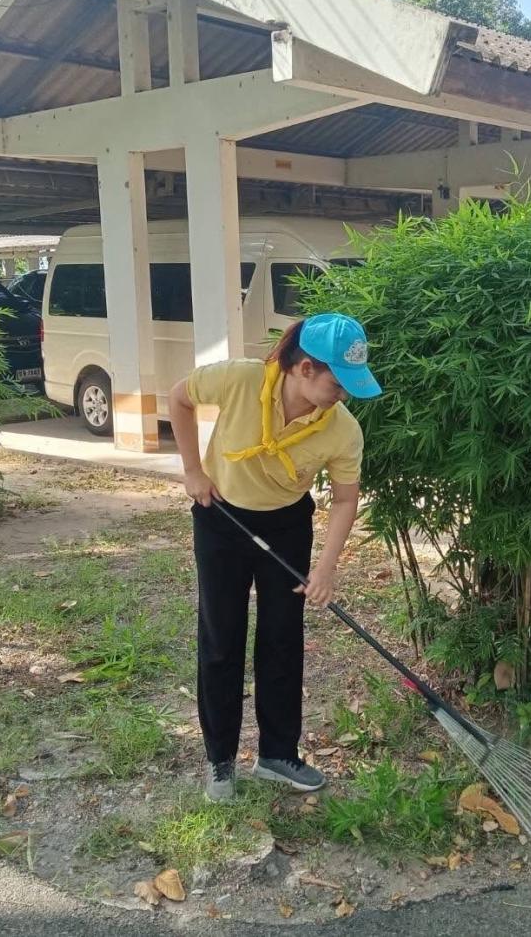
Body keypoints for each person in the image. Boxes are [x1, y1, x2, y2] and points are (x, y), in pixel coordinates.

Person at [168, 314, 381, 803]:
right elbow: (179, 396)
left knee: (282, 639)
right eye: (338, 384)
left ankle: (277, 755)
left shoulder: (342, 430)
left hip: (287, 527)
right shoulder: (241, 379)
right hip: (221, 517)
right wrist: (193, 471)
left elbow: (346, 499)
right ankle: (220, 760)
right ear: (305, 369)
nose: (343, 395)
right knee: (222, 639)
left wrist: (325, 568)